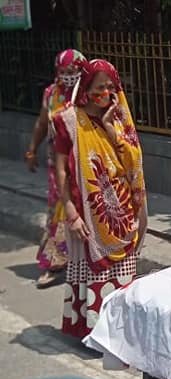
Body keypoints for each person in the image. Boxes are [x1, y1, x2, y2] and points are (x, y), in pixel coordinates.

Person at [54, 58, 147, 339]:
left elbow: (132, 164)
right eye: (99, 88)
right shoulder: (68, 121)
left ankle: (120, 334)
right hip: (87, 211)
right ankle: (95, 332)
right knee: (92, 273)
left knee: (123, 274)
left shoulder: (119, 121)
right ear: (85, 88)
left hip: (121, 212)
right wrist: (71, 213)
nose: (106, 93)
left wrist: (109, 126)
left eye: (111, 87)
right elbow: (61, 170)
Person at [25, 49, 87, 288]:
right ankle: (54, 262)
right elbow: (42, 123)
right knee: (59, 210)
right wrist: (32, 149)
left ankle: (88, 262)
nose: (67, 76)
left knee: (88, 209)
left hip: (86, 162)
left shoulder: (89, 93)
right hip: (58, 163)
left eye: (72, 71)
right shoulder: (52, 94)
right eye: (63, 71)